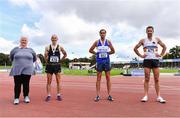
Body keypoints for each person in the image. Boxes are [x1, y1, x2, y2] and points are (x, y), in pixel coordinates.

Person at [134, 26, 167, 103]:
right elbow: (135, 48)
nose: (149, 32)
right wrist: (141, 55)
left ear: (153, 31)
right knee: (147, 79)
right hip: (147, 61)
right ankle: (145, 96)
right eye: (148, 31)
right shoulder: (143, 40)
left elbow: (164, 47)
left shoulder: (157, 39)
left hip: (155, 60)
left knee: (157, 79)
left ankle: (158, 96)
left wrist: (161, 54)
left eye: (151, 31)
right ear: (146, 32)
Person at [89, 29, 115, 102]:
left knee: (108, 78)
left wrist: (107, 53)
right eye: (101, 33)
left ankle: (109, 95)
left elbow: (113, 51)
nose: (103, 34)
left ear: (105, 34)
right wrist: (96, 53)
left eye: (104, 33)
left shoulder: (108, 42)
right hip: (99, 62)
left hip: (106, 61)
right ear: (100, 34)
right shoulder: (97, 42)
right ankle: (97, 95)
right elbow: (90, 50)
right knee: (98, 78)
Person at [10, 36, 37, 105]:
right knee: (17, 84)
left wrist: (28, 63)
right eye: (22, 40)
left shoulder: (31, 50)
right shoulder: (15, 49)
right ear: (20, 41)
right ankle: (16, 98)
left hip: (28, 69)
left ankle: (26, 96)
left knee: (26, 84)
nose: (23, 41)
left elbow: (34, 58)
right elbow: (11, 57)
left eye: (25, 40)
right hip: (17, 69)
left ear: (27, 41)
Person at [44, 34, 67, 101]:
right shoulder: (47, 47)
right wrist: (46, 60)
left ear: (57, 39)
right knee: (48, 81)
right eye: (53, 38)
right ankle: (48, 95)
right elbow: (45, 56)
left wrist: (60, 60)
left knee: (58, 81)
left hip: (57, 66)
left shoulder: (60, 47)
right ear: (51, 39)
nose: (54, 39)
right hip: (49, 66)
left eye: (55, 38)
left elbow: (65, 54)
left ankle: (58, 95)